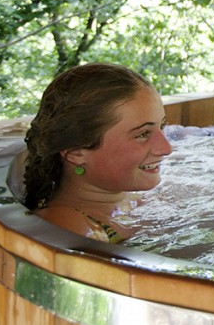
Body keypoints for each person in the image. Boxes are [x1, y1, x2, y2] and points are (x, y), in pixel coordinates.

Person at [22, 63, 172, 243]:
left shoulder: (127, 196)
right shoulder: (73, 228)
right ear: (76, 152)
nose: (166, 148)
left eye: (161, 126)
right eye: (143, 134)